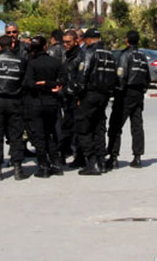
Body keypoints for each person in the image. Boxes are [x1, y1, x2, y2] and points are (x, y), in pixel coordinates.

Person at [72, 28, 117, 176]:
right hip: (104, 96)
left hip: (90, 95)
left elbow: (83, 75)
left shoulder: (89, 53)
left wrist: (78, 95)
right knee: (99, 127)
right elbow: (115, 77)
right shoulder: (109, 54)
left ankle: (92, 162)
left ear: (89, 40)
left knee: (83, 127)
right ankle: (101, 160)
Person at [0, 35, 27, 180]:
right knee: (16, 135)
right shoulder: (21, 61)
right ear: (13, 45)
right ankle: (18, 168)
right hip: (15, 101)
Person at [106, 30, 150, 169]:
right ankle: (137, 157)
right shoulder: (142, 56)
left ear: (127, 40)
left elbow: (121, 75)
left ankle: (113, 157)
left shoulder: (125, 55)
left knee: (115, 125)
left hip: (125, 93)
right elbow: (147, 78)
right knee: (137, 125)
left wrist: (116, 91)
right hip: (138, 94)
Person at [23, 35, 64, 177]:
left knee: (39, 135)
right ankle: (56, 164)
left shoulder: (31, 63)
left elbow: (28, 83)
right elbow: (62, 81)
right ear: (45, 47)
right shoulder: (55, 62)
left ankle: (43, 166)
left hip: (36, 102)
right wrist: (50, 84)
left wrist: (41, 85)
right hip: (52, 103)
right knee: (50, 133)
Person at [58, 29, 84, 168]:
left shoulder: (80, 56)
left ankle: (79, 156)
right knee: (67, 127)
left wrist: (74, 92)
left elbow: (80, 78)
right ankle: (63, 153)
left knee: (76, 129)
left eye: (68, 42)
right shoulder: (67, 55)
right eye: (64, 42)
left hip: (75, 97)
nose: (65, 44)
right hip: (67, 97)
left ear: (76, 41)